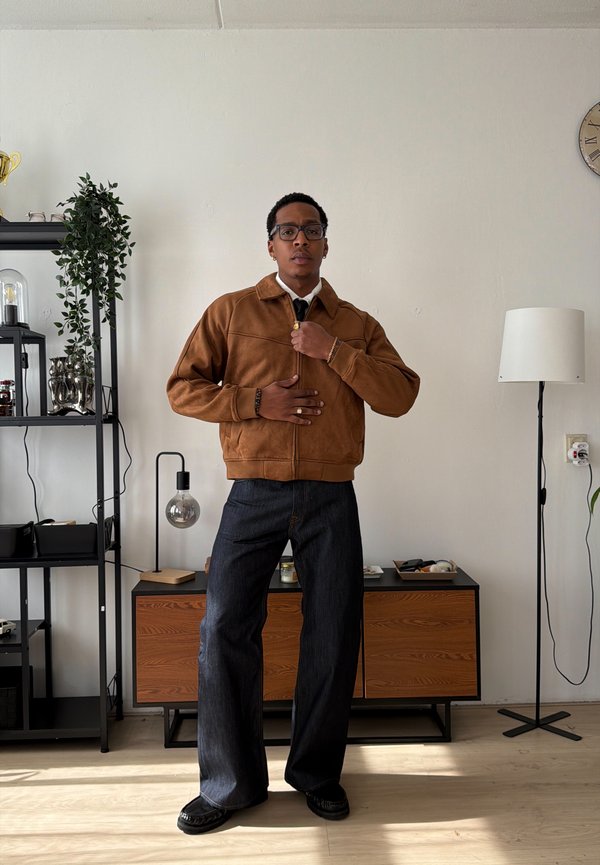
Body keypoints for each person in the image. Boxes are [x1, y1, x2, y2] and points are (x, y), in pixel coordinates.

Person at [166, 192, 420, 834]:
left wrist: (333, 350)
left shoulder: (354, 322)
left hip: (331, 494)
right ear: (271, 245)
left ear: (327, 243)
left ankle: (317, 775)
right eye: (287, 231)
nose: (299, 241)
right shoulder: (231, 311)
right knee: (224, 627)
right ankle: (229, 785)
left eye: (311, 230)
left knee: (332, 632)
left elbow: (401, 395)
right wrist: (255, 402)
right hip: (253, 492)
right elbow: (182, 388)